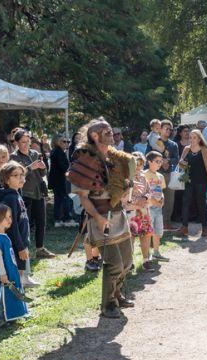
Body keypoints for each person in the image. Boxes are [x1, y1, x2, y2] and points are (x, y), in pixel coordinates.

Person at [69, 118, 136, 318]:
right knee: (114, 263)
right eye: (105, 131)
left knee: (127, 261)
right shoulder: (85, 157)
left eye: (110, 129)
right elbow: (83, 196)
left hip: (117, 214)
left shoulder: (115, 158)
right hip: (100, 217)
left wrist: (128, 190)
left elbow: (120, 185)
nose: (111, 133)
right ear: (94, 135)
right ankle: (108, 305)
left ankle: (117, 294)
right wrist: (97, 218)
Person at [0, 161, 40, 288]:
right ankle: (16, 294)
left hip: (21, 241)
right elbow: (12, 226)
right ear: (7, 180)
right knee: (15, 271)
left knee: (21, 268)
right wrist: (20, 247)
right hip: (15, 244)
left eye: (22, 175)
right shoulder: (10, 198)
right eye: (16, 175)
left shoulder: (16, 194)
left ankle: (22, 282)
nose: (21, 178)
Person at [0, 203, 30, 328]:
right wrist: (2, 273)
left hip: (7, 272)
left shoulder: (3, 236)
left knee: (8, 295)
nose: (10, 220)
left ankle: (10, 316)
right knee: (1, 297)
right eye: (6, 217)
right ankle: (1, 321)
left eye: (10, 217)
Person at [11, 129, 56, 260]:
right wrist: (31, 167)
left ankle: (40, 248)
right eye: (23, 142)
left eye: (27, 141)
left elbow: (43, 174)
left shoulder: (35, 153)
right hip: (25, 193)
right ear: (17, 143)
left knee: (41, 221)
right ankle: (25, 249)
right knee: (26, 222)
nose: (26, 144)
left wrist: (43, 167)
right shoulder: (14, 157)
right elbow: (16, 173)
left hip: (38, 192)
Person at [178, 129, 207, 238]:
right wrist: (182, 163)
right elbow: (181, 163)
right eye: (190, 137)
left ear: (199, 139)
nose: (191, 139)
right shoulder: (186, 149)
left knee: (201, 204)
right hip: (189, 180)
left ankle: (205, 228)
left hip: (202, 181)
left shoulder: (205, 150)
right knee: (185, 202)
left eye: (194, 137)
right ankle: (184, 227)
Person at [147, 120, 181, 230]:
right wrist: (161, 162)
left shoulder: (173, 144)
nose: (168, 131)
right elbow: (148, 156)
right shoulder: (153, 142)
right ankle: (154, 223)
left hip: (170, 174)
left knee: (169, 200)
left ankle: (167, 222)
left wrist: (168, 161)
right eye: (166, 128)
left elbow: (177, 158)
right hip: (156, 175)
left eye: (170, 129)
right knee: (155, 198)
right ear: (160, 129)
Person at [127, 152, 154, 271]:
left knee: (145, 235)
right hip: (131, 211)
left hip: (143, 211)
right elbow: (125, 195)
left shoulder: (143, 177)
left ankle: (146, 260)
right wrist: (137, 201)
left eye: (141, 164)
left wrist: (145, 198)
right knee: (131, 236)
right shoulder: (127, 178)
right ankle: (129, 262)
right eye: (136, 164)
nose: (138, 167)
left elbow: (149, 191)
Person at [143, 150, 168, 263]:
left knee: (158, 231)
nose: (159, 163)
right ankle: (146, 255)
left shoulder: (160, 176)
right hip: (148, 207)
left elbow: (161, 190)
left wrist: (162, 199)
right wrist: (153, 201)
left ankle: (156, 253)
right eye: (157, 161)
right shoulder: (144, 175)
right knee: (148, 231)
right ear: (149, 162)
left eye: (161, 161)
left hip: (158, 208)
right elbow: (144, 192)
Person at [48, 135, 76, 227]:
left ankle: (59, 219)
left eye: (68, 142)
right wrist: (69, 167)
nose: (67, 143)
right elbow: (63, 166)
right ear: (57, 142)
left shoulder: (57, 151)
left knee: (59, 199)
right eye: (64, 141)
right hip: (59, 180)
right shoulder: (57, 152)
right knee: (63, 199)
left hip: (58, 179)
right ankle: (65, 219)